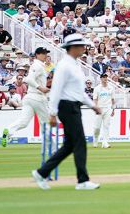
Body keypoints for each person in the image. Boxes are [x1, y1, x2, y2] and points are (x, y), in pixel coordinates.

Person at [33, 33, 102, 190]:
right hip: (67, 107)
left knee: (69, 146)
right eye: (82, 46)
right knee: (80, 143)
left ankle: (42, 172)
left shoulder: (74, 64)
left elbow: (79, 91)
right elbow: (56, 90)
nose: (84, 48)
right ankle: (82, 181)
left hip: (73, 106)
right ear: (73, 48)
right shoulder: (64, 66)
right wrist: (52, 113)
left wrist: (92, 105)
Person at [1, 47, 51, 147]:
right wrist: (41, 88)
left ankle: (9, 131)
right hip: (37, 97)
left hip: (29, 97)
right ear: (37, 55)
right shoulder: (38, 65)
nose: (46, 55)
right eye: (43, 53)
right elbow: (28, 79)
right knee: (45, 123)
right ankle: (51, 147)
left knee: (24, 122)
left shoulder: (38, 65)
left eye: (46, 53)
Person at [92, 73, 115, 149]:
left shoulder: (111, 88)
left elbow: (113, 100)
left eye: (106, 77)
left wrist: (113, 109)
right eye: (103, 77)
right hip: (99, 109)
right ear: (101, 78)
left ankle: (105, 142)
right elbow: (95, 99)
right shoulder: (97, 88)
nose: (105, 79)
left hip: (108, 108)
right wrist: (95, 108)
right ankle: (95, 140)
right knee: (97, 127)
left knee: (106, 126)